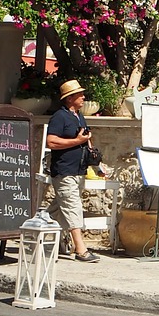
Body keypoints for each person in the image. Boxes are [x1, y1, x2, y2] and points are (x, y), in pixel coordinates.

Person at [45, 79, 105, 263]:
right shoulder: (59, 117)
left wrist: (97, 164)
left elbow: (86, 140)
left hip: (78, 171)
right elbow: (51, 142)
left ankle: (32, 233)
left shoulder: (79, 116)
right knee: (73, 208)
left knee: (55, 212)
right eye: (80, 94)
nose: (83, 97)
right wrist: (76, 142)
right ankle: (81, 250)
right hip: (64, 171)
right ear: (70, 98)